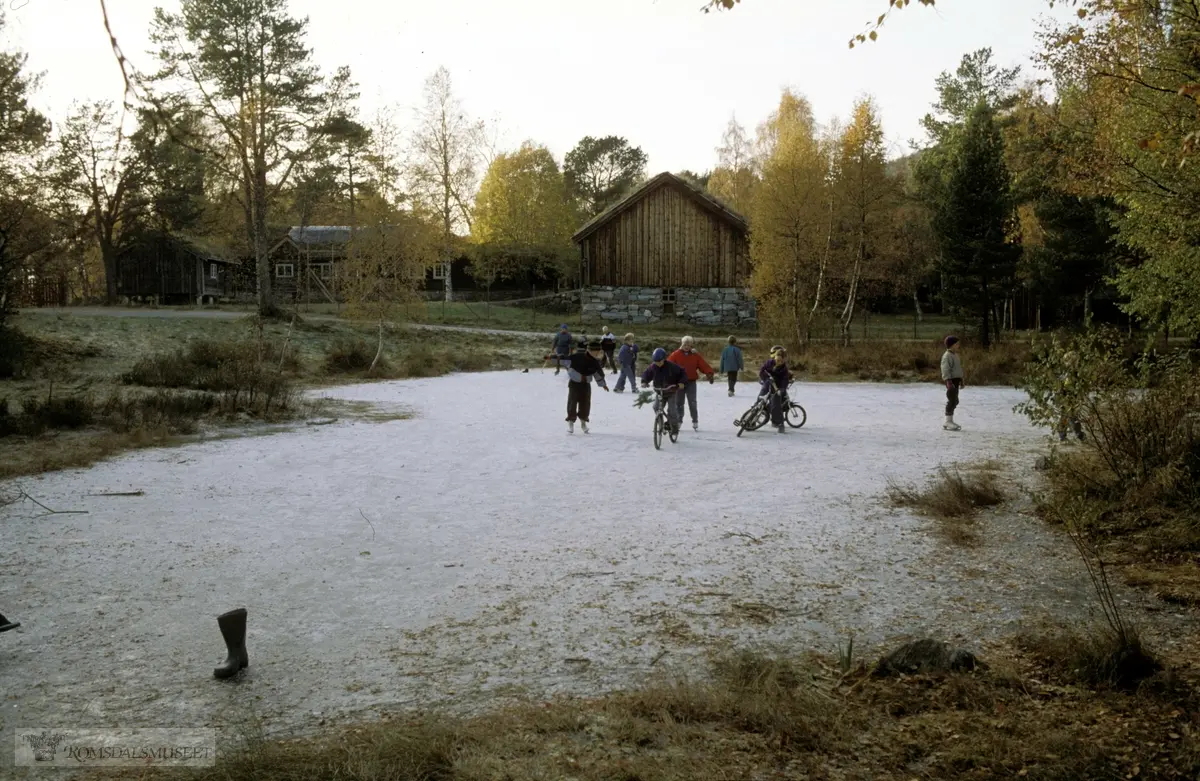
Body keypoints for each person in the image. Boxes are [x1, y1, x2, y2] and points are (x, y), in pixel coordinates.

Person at [558, 339, 610, 434]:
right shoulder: (577, 357)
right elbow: (565, 360)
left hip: (586, 385)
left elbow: (597, 373)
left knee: (585, 404)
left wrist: (603, 385)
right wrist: (554, 358)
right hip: (574, 384)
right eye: (597, 351)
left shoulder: (594, 362)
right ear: (591, 350)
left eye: (599, 351)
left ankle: (583, 423)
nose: (598, 353)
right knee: (572, 403)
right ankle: (571, 423)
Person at [667, 335, 715, 431]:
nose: (687, 347)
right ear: (682, 344)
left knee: (692, 402)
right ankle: (679, 420)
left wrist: (709, 374)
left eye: (689, 345)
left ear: (691, 345)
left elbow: (702, 365)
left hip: (691, 382)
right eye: (685, 344)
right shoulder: (675, 354)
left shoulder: (694, 355)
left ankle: (695, 420)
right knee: (679, 403)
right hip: (679, 383)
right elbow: (668, 365)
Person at [641, 347, 687, 435]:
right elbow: (647, 374)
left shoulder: (671, 366)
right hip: (660, 391)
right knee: (656, 407)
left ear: (664, 359)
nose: (657, 363)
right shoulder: (653, 367)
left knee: (672, 411)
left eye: (659, 361)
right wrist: (644, 381)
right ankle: (660, 423)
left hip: (671, 392)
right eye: (655, 362)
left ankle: (674, 427)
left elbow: (682, 372)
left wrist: (681, 382)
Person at [759, 347, 793, 433]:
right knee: (759, 399)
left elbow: (784, 381)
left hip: (776, 387)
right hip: (768, 383)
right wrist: (765, 379)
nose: (778, 362)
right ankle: (751, 419)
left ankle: (779, 423)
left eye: (780, 361)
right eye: (777, 360)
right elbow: (762, 371)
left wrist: (781, 390)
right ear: (774, 358)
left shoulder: (784, 369)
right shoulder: (770, 363)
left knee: (776, 405)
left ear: (783, 360)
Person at [1055, 351, 1086, 443]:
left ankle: (1078, 436)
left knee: (1071, 418)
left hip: (1070, 400)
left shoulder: (1074, 373)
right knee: (1067, 418)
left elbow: (1072, 387)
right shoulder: (1068, 373)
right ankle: (1067, 437)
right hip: (1067, 400)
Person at [941, 336, 964, 431]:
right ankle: (948, 421)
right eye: (957, 344)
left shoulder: (954, 355)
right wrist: (948, 381)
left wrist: (961, 380)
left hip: (956, 381)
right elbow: (945, 369)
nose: (958, 346)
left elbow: (958, 369)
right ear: (952, 345)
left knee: (955, 400)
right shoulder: (947, 356)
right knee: (952, 400)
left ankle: (950, 420)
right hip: (951, 381)